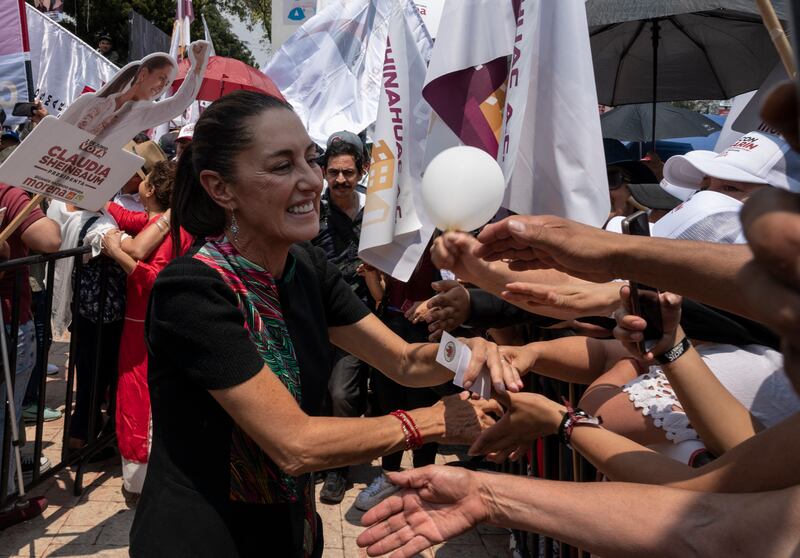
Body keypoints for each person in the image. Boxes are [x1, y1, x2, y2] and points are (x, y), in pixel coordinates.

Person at [355, 81, 800, 558]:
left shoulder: (747, 363)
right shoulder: (681, 336)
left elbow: (704, 510)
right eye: (707, 187)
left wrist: (563, 424)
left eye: (733, 191)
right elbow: (713, 518)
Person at [129, 90, 516, 558]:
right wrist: (432, 421)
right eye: (282, 166)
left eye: (310, 159)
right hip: (204, 537)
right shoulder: (192, 289)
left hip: (290, 530)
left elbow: (405, 361)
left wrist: (467, 351)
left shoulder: (305, 265)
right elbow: (295, 443)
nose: (312, 180)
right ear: (220, 188)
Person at [102, 160, 191, 499]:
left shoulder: (169, 229)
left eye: (145, 178)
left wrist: (116, 252)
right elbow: (129, 219)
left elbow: (154, 280)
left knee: (141, 400)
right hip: (143, 325)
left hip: (146, 327)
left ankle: (143, 479)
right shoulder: (161, 221)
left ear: (151, 190)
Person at [312, 130, 372, 504]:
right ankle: (322, 455)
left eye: (348, 172)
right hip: (316, 319)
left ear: (362, 171)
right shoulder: (311, 210)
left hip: (359, 320)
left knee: (343, 392)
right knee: (317, 392)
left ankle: (340, 469)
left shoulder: (376, 212)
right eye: (333, 172)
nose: (340, 180)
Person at [0, 184, 61, 495]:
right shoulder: (6, 192)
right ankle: (8, 496)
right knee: (6, 414)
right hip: (9, 322)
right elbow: (50, 239)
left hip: (11, 320)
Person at [59, 42, 209, 150]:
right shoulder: (88, 101)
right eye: (162, 78)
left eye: (167, 83)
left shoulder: (143, 116)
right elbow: (53, 132)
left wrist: (198, 66)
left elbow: (179, 103)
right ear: (143, 74)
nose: (162, 87)